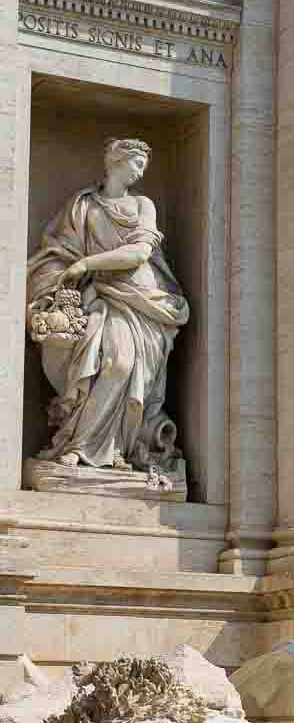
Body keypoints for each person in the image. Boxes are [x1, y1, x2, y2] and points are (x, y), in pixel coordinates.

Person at [26, 138, 189, 473]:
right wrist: (63, 277)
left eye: (144, 165)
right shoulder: (83, 205)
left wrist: (86, 264)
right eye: (137, 163)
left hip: (143, 301)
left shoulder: (144, 204)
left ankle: (106, 447)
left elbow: (139, 253)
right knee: (105, 363)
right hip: (98, 296)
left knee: (121, 364)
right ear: (116, 161)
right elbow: (59, 250)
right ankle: (83, 446)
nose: (141, 171)